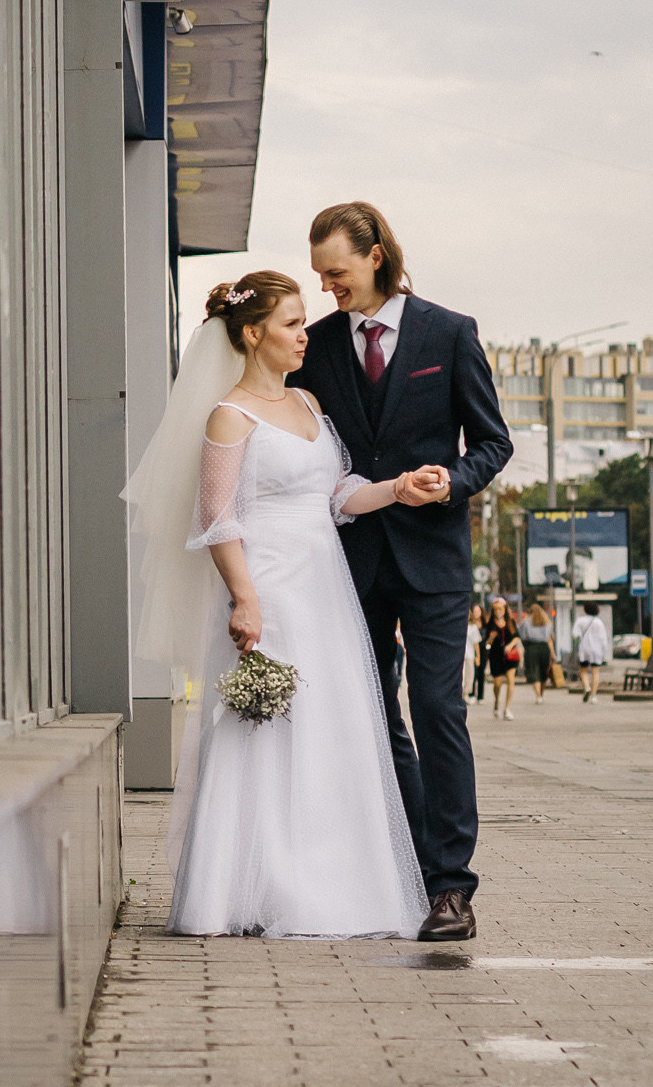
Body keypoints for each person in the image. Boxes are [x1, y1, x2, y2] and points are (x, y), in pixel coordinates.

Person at [125, 268, 445, 940]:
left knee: (329, 731)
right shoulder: (228, 415)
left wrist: (396, 488)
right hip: (265, 591)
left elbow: (334, 496)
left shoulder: (305, 406)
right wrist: (244, 600)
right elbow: (214, 517)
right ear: (251, 334)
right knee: (262, 734)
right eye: (291, 324)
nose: (305, 336)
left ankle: (330, 880)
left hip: (323, 592)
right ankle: (250, 886)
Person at [292, 201, 512, 944]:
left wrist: (450, 481)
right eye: (320, 276)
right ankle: (405, 872)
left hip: (434, 561)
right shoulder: (316, 346)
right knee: (373, 719)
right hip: (348, 560)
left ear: (376, 255)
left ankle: (452, 888)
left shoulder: (449, 334)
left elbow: (491, 442)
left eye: (337, 272)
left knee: (438, 711)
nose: (327, 288)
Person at [486, 600, 519, 720]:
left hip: (510, 656)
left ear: (504, 610)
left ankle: (507, 708)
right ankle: (496, 701)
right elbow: (486, 642)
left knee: (511, 680)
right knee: (497, 683)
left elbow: (516, 637)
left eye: (500, 609)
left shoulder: (511, 622)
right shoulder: (490, 624)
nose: (498, 612)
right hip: (496, 656)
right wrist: (490, 637)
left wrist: (510, 646)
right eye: (495, 609)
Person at [575, 606, 610, 702]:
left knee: (583, 671)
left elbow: (575, 635)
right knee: (595, 671)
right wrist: (604, 651)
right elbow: (603, 638)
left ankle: (587, 687)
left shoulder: (580, 620)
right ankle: (594, 696)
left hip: (584, 649)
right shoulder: (599, 622)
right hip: (596, 650)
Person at [523, 597, 554, 701]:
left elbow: (523, 636)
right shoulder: (546, 622)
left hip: (532, 647)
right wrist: (553, 655)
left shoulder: (527, 621)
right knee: (543, 671)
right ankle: (541, 692)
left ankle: (538, 695)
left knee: (533, 671)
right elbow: (549, 639)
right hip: (544, 647)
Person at [464, 597, 485, 705]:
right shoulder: (459, 627)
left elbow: (476, 643)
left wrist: (478, 657)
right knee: (462, 676)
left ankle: (466, 693)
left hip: (470, 655)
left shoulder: (473, 627)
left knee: (470, 675)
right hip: (460, 656)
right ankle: (461, 694)